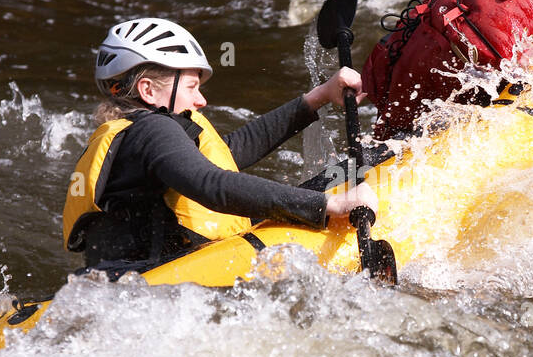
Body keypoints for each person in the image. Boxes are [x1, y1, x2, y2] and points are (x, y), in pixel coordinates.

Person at [62, 17, 378, 267]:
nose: (201, 99)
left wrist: (318, 97)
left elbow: (229, 150)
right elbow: (214, 185)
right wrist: (328, 205)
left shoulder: (135, 131)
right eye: (190, 86)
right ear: (148, 91)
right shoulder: (151, 131)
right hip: (147, 286)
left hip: (125, 282)